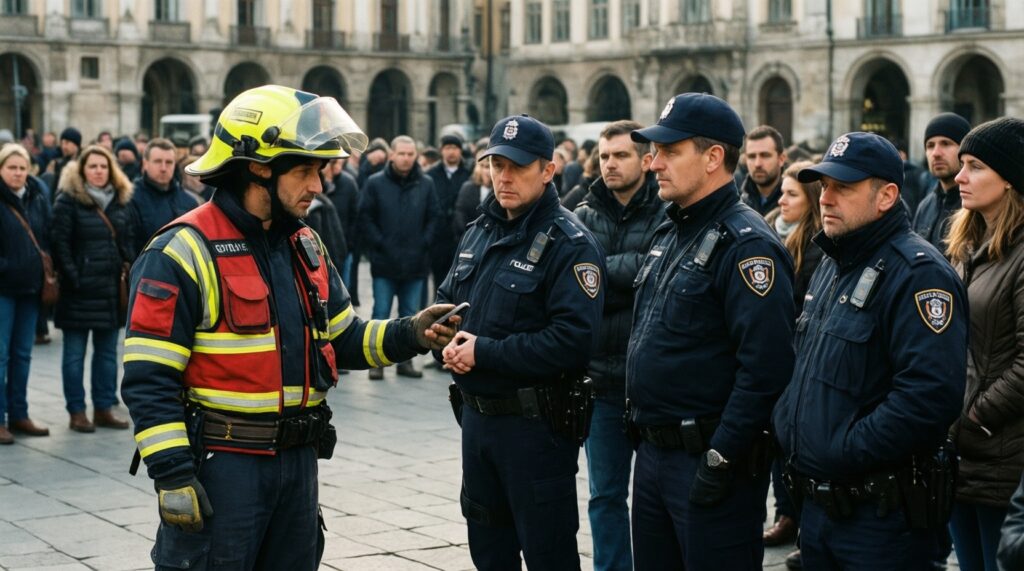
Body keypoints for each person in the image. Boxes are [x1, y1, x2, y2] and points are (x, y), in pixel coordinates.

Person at [119, 85, 459, 570]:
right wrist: (173, 474)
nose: (318, 185)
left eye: (319, 171)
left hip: (297, 467)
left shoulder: (305, 245)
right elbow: (148, 379)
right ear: (258, 166)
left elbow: (343, 339)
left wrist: (412, 332)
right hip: (224, 467)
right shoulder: (180, 251)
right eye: (304, 170)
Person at [772, 132, 968, 570]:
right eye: (823, 186)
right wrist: (790, 425)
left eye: (843, 187)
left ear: (887, 196)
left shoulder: (918, 274)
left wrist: (842, 448)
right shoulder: (834, 262)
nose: (826, 198)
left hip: (881, 518)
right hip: (821, 510)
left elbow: (929, 397)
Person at [625, 93, 796, 570]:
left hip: (708, 460)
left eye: (669, 151)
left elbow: (766, 369)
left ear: (713, 157)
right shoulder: (671, 231)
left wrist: (721, 456)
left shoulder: (748, 246)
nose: (653, 162)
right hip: (656, 455)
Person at [437, 114, 604, 570]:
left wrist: (484, 351)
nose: (503, 177)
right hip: (478, 422)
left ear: (548, 170)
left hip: (535, 428)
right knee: (488, 550)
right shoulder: (479, 230)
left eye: (517, 166)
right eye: (496, 165)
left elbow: (573, 340)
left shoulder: (570, 243)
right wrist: (442, 337)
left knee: (548, 552)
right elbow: (447, 301)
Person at [573, 120, 663, 571]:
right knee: (605, 494)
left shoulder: (667, 210)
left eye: (621, 155)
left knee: (656, 499)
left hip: (651, 383)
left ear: (647, 161)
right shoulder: (582, 213)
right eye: (605, 156)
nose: (609, 164)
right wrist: (625, 274)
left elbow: (658, 279)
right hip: (601, 382)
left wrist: (601, 274)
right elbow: (574, 288)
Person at [944, 118, 1024, 571]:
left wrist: (974, 417)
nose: (959, 176)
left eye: (974, 166)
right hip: (962, 452)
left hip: (1002, 454)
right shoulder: (968, 243)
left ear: (1010, 177)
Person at [761, 161, 824, 566]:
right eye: (782, 192)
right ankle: (787, 513)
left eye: (792, 194)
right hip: (777, 356)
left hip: (799, 357)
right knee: (779, 447)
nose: (781, 200)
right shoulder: (771, 232)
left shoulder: (816, 245)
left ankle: (803, 524)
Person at [52, 145, 135, 433]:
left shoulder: (120, 201)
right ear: (82, 170)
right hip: (79, 291)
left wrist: (128, 267)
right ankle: (76, 411)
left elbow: (128, 240)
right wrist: (74, 277)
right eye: (93, 166)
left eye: (103, 166)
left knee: (107, 354)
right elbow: (59, 243)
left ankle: (103, 408)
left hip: (110, 291)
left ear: (111, 170)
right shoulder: (68, 201)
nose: (99, 171)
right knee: (74, 355)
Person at [358, 135, 441, 380]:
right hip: (385, 262)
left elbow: (434, 217)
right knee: (380, 314)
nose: (406, 158)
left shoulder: (426, 183)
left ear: (416, 155)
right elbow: (366, 217)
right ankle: (376, 362)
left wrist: (424, 242)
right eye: (401, 154)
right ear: (391, 155)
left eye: (410, 154)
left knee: (410, 315)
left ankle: (405, 362)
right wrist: (380, 243)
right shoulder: (375, 183)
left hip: (415, 263)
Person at [0, 144, 53, 443]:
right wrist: (7, 267)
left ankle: (19, 414)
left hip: (31, 289)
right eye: (12, 168)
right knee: (0, 357)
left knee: (22, 355)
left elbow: (46, 233)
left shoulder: (37, 196)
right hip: (3, 289)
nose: (18, 173)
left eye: (22, 168)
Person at [913, 113, 972, 254]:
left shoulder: (975, 206)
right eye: (930, 145)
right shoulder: (925, 206)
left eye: (946, 143)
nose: (936, 153)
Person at [130, 137, 199, 253]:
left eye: (169, 162)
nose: (163, 168)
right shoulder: (130, 198)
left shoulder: (189, 202)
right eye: (157, 161)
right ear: (145, 164)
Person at [426, 133, 472, 300]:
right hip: (439, 238)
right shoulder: (432, 174)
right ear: (441, 151)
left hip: (463, 237)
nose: (451, 152)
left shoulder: (468, 173)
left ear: (460, 151)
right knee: (439, 282)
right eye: (447, 148)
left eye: (455, 148)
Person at [740, 125, 788, 216]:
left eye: (765, 155)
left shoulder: (795, 202)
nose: (757, 164)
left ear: (781, 159)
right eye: (752, 156)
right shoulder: (738, 201)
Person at [452, 151, 491, 242]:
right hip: (468, 238)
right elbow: (460, 214)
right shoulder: (468, 187)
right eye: (485, 167)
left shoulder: (498, 191)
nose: (488, 171)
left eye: (490, 167)